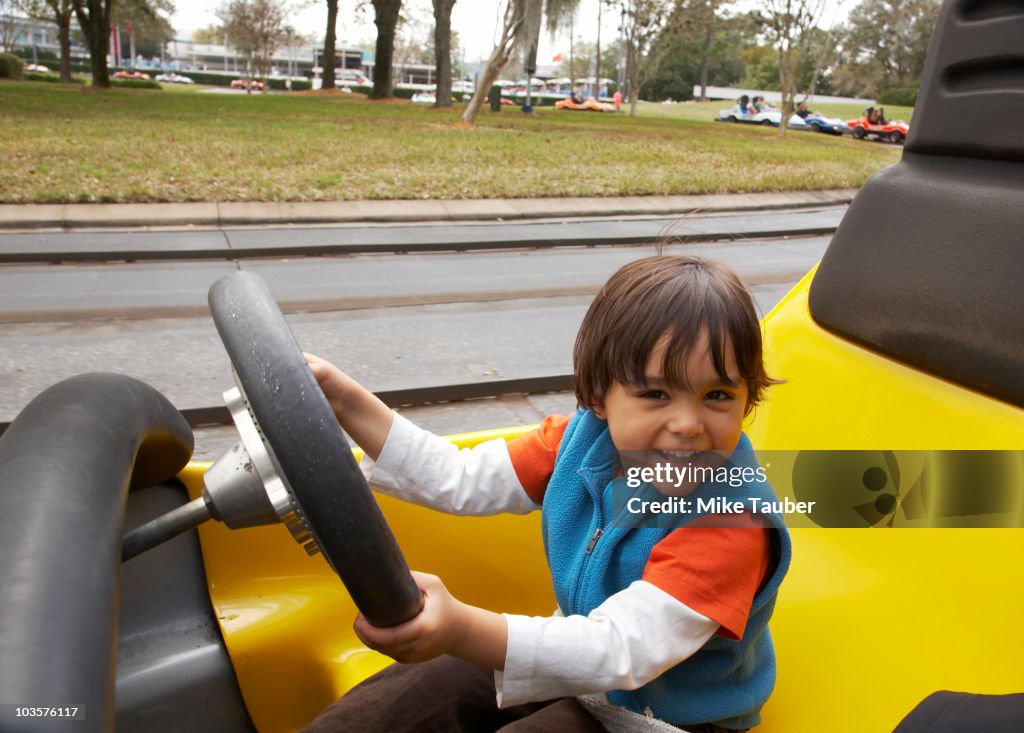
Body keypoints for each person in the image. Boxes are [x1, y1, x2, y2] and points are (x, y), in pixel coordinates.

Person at [301, 256, 792, 733]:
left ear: (747, 397)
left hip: (666, 717)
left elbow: (621, 651)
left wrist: (462, 628)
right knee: (410, 694)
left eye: (718, 396)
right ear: (599, 395)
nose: (687, 425)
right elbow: (462, 477)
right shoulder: (577, 443)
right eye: (655, 394)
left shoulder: (731, 518)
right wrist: (345, 402)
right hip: (580, 669)